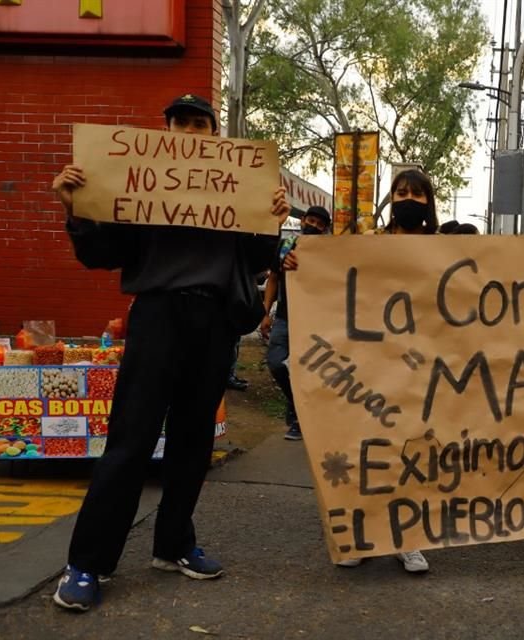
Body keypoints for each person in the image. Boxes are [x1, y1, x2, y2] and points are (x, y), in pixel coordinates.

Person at [50, 94, 291, 611]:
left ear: (213, 134)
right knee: (130, 440)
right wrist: (74, 207)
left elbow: (255, 259)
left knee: (192, 442)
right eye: (179, 122)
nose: (189, 130)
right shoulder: (137, 184)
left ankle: (173, 544)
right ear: (166, 130)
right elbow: (100, 254)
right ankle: (88, 563)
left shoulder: (236, 190)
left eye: (199, 124)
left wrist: (270, 220)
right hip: (157, 315)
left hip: (214, 323)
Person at [283, 168, 436, 573]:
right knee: (364, 449)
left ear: (429, 203)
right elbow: (331, 280)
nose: (408, 201)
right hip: (369, 363)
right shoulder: (367, 245)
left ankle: (408, 536)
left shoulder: (445, 249)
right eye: (401, 193)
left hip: (421, 368)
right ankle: (358, 533)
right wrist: (300, 265)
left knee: (411, 450)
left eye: (417, 195)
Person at [260, 206, 331, 440]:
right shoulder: (286, 245)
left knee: (307, 371)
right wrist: (266, 312)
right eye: (311, 220)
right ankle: (300, 408)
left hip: (313, 321)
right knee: (276, 363)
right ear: (302, 221)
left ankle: (300, 420)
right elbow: (273, 278)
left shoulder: (327, 253)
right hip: (285, 318)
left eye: (320, 225)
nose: (314, 226)